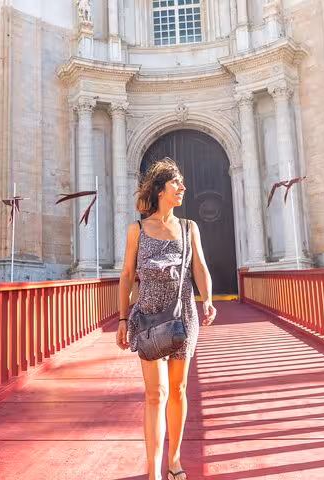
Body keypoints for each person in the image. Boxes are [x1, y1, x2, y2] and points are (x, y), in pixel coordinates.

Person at [117, 157, 217, 480]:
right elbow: (127, 275)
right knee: (154, 392)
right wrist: (121, 319)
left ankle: (174, 460)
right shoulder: (137, 230)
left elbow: (199, 267)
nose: (183, 188)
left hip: (183, 315)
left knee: (178, 389)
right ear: (161, 189)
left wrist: (209, 300)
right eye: (177, 183)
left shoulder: (189, 228)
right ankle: (153, 473)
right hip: (147, 317)